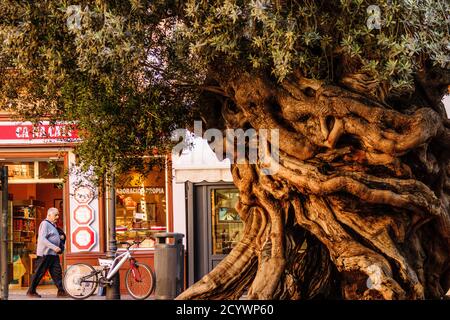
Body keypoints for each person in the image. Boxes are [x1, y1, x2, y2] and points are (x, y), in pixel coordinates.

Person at [26, 207, 68, 298]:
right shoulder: (45, 224)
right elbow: (42, 239)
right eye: (55, 215)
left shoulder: (53, 225)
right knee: (39, 273)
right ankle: (31, 292)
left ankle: (61, 291)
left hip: (53, 254)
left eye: (58, 215)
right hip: (45, 254)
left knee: (57, 273)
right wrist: (54, 247)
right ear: (49, 215)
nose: (57, 217)